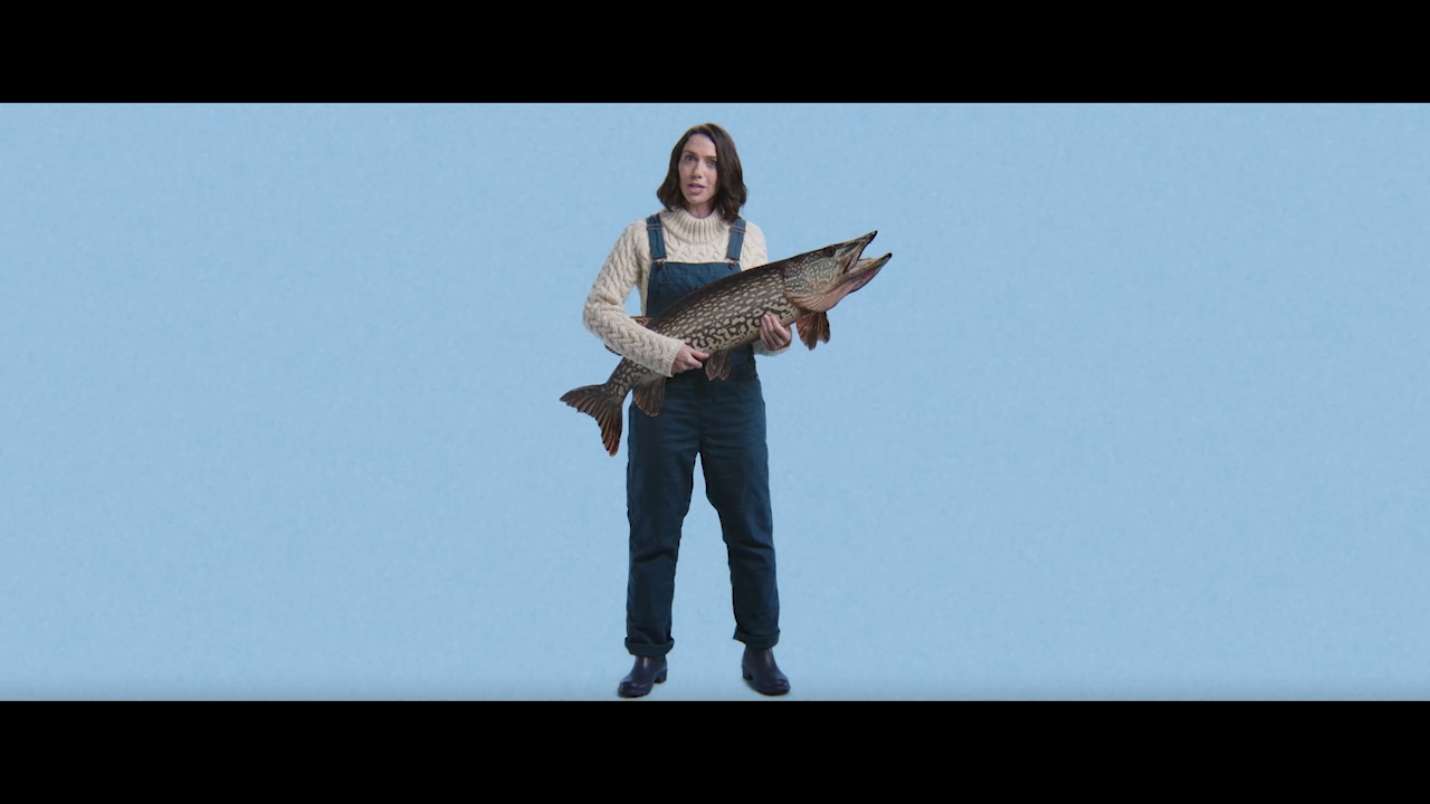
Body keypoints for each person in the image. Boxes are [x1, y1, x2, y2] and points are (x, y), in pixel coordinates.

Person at [582, 123, 794, 698]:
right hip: (661, 405)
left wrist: (775, 340)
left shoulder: (747, 239)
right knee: (654, 529)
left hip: (734, 404)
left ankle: (760, 648)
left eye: (710, 162)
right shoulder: (641, 236)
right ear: (675, 167)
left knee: (750, 527)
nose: (698, 171)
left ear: (726, 173)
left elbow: (758, 332)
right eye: (688, 159)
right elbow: (598, 311)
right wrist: (663, 351)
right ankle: (648, 653)